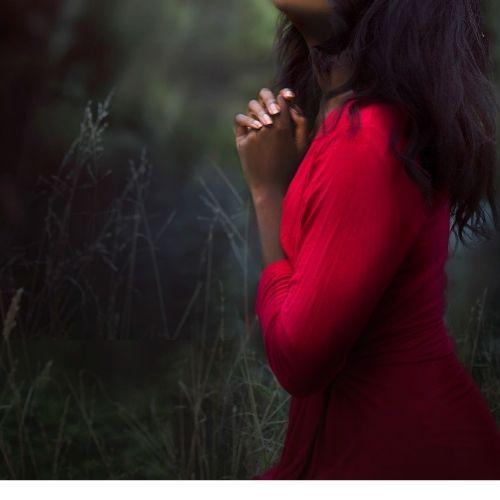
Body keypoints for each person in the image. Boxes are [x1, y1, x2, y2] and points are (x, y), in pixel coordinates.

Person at [233, 0, 500, 479]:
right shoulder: (351, 121)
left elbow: (300, 359)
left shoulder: (369, 140)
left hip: (405, 456)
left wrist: (268, 191)